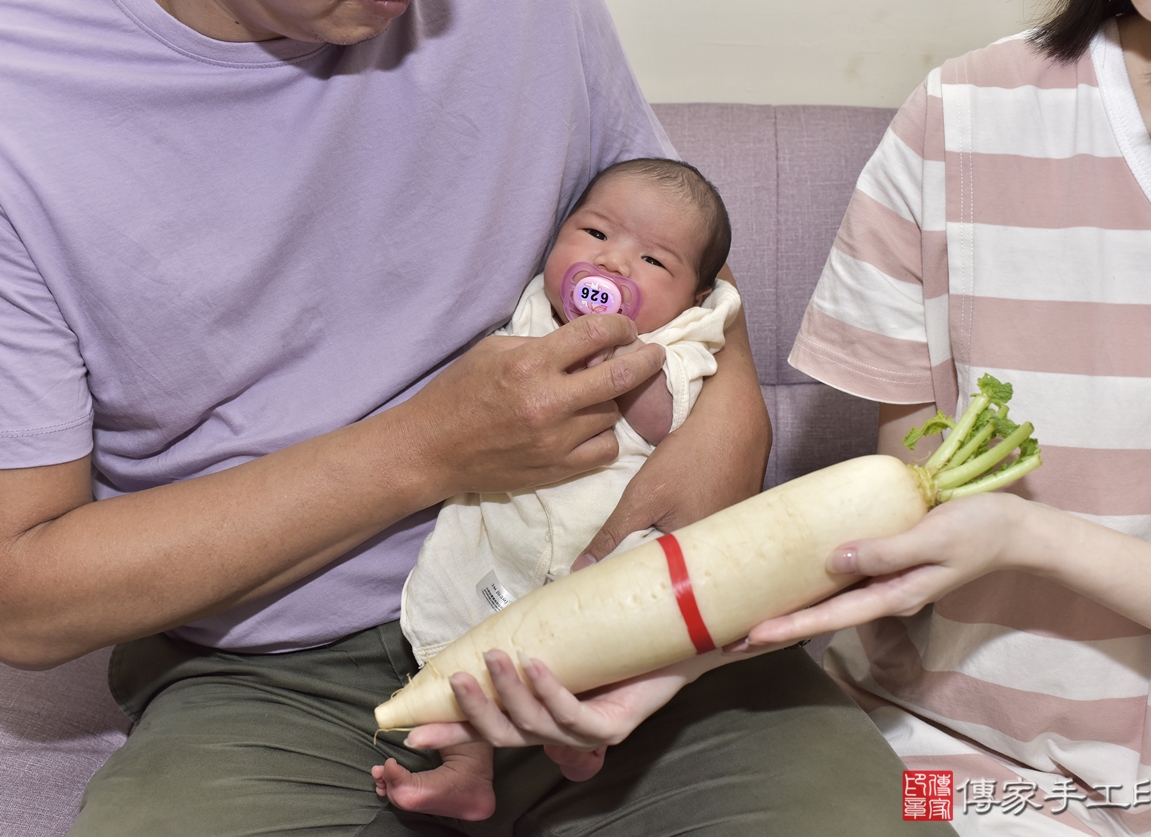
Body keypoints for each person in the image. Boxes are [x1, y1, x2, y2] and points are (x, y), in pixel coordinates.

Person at [0, 1, 942, 834]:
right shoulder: (26, 97)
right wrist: (425, 451)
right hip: (274, 676)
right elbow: (25, 602)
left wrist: (732, 415)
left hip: (614, 613)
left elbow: (668, 240)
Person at [406, 1, 1151, 835]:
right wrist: (676, 652)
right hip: (951, 769)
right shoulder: (961, 114)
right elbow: (883, 525)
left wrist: (1038, 538)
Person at [373, 157, 741, 819]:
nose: (616, 263)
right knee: (458, 646)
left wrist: (622, 361)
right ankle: (464, 769)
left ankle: (581, 744)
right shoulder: (530, 306)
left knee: (607, 648)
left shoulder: (682, 338)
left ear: (693, 295)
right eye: (596, 234)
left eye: (654, 262)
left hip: (596, 549)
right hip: (499, 533)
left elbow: (664, 418)